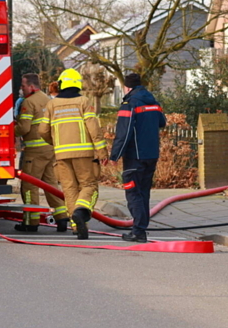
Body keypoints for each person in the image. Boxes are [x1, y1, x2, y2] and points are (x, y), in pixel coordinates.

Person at [37, 68, 108, 239]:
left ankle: (76, 226)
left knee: (69, 189)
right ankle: (81, 212)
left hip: (61, 154)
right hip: (83, 153)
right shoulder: (83, 101)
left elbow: (42, 130)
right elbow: (93, 128)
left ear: (62, 84)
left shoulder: (52, 104)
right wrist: (102, 151)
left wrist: (56, 143)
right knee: (89, 185)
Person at [109, 73, 166, 243]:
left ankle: (138, 231)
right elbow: (162, 122)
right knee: (143, 192)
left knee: (133, 192)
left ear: (127, 87)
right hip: (151, 154)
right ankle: (141, 228)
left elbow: (124, 133)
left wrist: (115, 155)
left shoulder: (129, 104)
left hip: (135, 156)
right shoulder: (153, 101)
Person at [14, 73, 68, 232]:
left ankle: (31, 222)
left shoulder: (29, 102)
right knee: (50, 184)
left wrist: (10, 130)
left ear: (31, 86)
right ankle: (62, 217)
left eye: (23, 86)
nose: (21, 89)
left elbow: (24, 128)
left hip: (35, 151)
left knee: (29, 186)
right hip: (50, 149)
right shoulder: (47, 99)